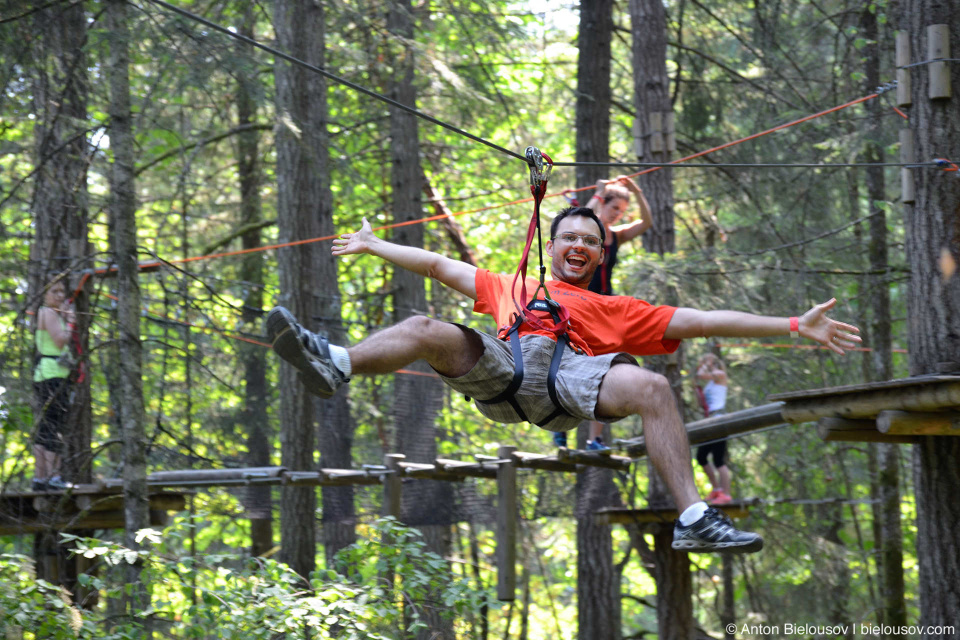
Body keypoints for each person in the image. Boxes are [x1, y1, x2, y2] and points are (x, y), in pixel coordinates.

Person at [266, 207, 860, 553]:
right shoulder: (510, 285)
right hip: (503, 369)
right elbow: (434, 264)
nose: (579, 246)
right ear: (551, 247)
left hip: (569, 383)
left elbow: (702, 321)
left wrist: (791, 325)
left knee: (652, 388)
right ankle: (336, 363)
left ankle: (694, 520)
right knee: (427, 326)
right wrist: (374, 245)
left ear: (600, 256)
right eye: (570, 238)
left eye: (590, 241)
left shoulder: (617, 308)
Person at [556, 176, 653, 451]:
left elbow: (646, 223)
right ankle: (560, 429)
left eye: (622, 211)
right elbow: (578, 220)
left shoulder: (616, 236)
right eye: (615, 209)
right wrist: (598, 194)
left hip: (602, 307)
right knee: (570, 363)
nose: (618, 215)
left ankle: (594, 439)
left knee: (602, 366)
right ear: (603, 206)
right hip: (576, 302)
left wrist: (637, 191)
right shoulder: (588, 231)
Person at [32, 278, 76, 491]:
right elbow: (60, 340)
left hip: (50, 374)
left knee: (45, 426)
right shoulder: (48, 313)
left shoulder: (50, 313)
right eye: (55, 291)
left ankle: (40, 478)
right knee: (53, 426)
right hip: (51, 376)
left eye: (62, 291)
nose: (59, 296)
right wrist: (70, 321)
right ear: (45, 294)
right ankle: (53, 477)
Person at [694, 353, 732, 505]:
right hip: (710, 420)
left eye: (709, 363)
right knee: (701, 456)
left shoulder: (720, 375)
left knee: (718, 460)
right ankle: (716, 489)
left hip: (719, 419)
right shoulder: (711, 382)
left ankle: (726, 494)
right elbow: (701, 402)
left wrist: (705, 362)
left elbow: (701, 374)